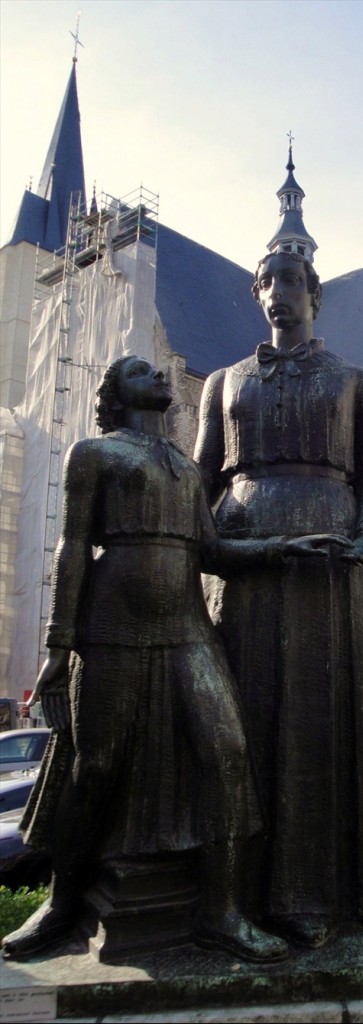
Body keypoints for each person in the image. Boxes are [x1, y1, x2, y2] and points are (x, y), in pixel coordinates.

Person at [2, 355, 337, 962]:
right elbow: (73, 545)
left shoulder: (185, 466)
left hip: (188, 628)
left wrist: (283, 548)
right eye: (138, 371)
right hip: (111, 629)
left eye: (157, 370)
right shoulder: (96, 453)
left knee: (227, 753)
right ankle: (60, 904)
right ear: (115, 392)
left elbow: (212, 550)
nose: (157, 374)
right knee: (97, 766)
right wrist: (58, 644)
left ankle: (222, 913)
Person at [194, 250, 363, 949]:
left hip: (330, 566)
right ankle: (229, 895)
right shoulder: (222, 383)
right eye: (266, 283)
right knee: (244, 720)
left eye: (290, 281)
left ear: (314, 293)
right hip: (243, 567)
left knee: (318, 722)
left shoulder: (359, 382)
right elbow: (198, 481)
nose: (276, 294)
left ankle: (314, 890)